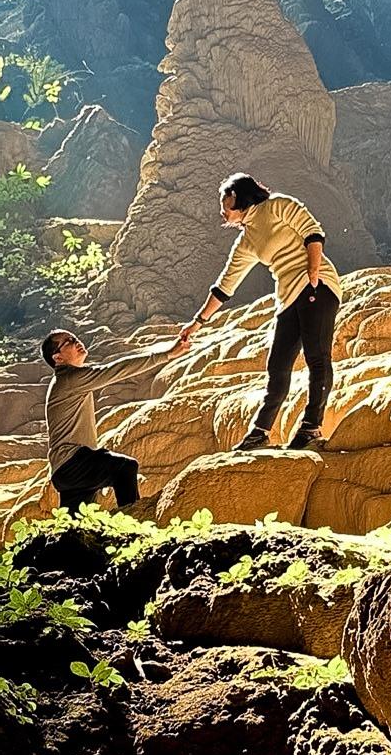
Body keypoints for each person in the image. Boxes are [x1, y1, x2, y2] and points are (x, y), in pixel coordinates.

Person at [172, 172, 342, 450]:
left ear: (237, 197)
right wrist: (197, 323)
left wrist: (313, 274)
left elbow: (313, 232)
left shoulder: (277, 205)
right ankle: (260, 432)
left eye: (224, 202)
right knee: (277, 365)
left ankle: (311, 427)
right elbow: (225, 286)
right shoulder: (247, 240)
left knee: (317, 356)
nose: (221, 210)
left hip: (317, 286)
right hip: (288, 298)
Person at [40, 329, 158, 510]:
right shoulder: (70, 378)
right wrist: (167, 354)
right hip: (73, 462)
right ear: (57, 358)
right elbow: (117, 370)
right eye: (69, 341)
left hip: (63, 471)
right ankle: (132, 526)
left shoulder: (66, 380)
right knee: (125, 467)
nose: (77, 341)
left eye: (75, 337)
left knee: (77, 527)